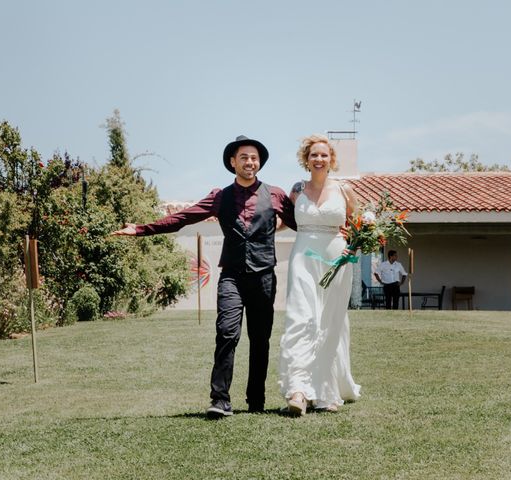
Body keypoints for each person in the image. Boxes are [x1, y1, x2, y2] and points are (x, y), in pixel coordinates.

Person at [112, 135, 296, 418]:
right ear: (233, 162)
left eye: (254, 157)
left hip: (263, 277)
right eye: (244, 157)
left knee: (260, 340)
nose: (250, 162)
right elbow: (182, 218)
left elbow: (302, 224)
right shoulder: (220, 197)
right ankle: (220, 399)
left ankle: (256, 399)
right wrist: (140, 229)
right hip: (232, 276)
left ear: (260, 163)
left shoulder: (276, 195)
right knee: (226, 333)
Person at [278, 134, 361, 416]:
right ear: (306, 158)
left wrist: (356, 243)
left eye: (324, 155)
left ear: (331, 159)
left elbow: (359, 224)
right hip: (303, 256)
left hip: (335, 258)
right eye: (314, 154)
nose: (319, 159)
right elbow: (283, 221)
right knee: (301, 318)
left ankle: (326, 391)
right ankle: (298, 391)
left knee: (330, 321)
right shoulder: (296, 189)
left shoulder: (344, 190)